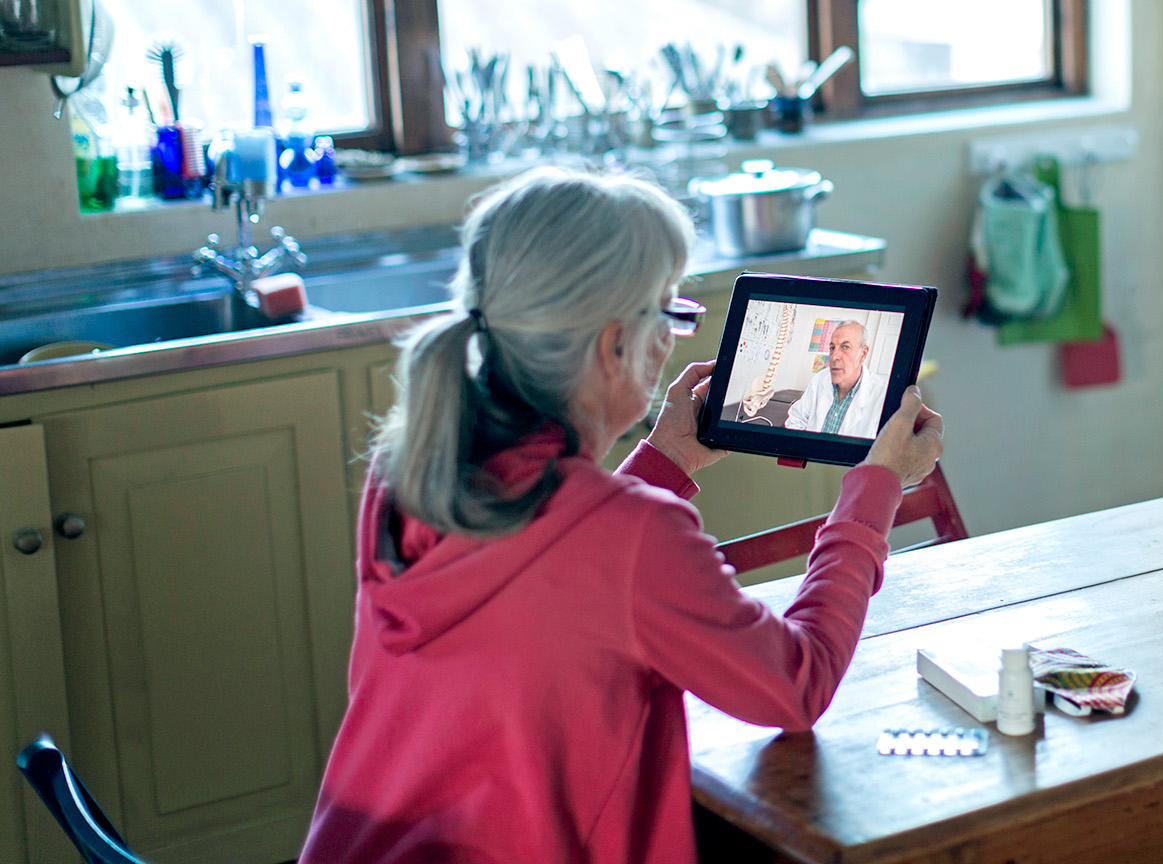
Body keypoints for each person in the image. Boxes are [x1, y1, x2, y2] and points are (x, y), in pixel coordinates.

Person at [297, 167, 944, 864]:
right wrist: (874, 489)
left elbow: (557, 575)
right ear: (613, 346)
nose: (675, 335)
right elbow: (795, 685)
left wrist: (664, 462)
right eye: (670, 310)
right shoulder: (630, 533)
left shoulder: (410, 473)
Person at [784, 319, 887, 438]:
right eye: (832, 348)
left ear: (863, 354)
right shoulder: (820, 379)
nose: (834, 357)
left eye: (845, 347)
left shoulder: (883, 395)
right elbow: (796, 420)